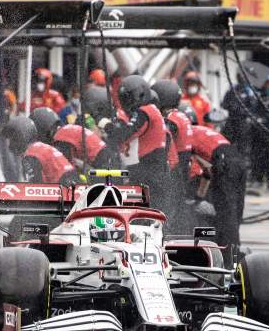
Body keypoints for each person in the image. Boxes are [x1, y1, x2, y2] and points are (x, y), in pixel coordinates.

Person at [104, 75, 168, 213]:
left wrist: (106, 125)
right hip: (155, 167)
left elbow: (123, 135)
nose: (128, 103)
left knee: (144, 210)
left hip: (150, 169)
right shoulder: (153, 111)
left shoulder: (145, 111)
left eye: (129, 98)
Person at [190, 120, 246, 266]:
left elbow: (189, 168)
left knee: (225, 215)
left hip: (224, 162)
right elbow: (207, 172)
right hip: (237, 161)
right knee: (235, 214)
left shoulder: (186, 134)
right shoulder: (202, 131)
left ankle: (228, 261)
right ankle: (235, 254)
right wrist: (199, 198)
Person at [152, 79, 194, 234]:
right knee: (178, 204)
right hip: (185, 163)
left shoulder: (170, 120)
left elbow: (165, 141)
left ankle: (167, 235)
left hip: (175, 167)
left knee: (169, 206)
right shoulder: (181, 115)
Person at [2, 116, 76, 184]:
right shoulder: (39, 147)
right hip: (72, 182)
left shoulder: (30, 155)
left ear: (19, 137)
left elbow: (35, 187)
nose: (10, 144)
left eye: (11, 139)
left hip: (65, 188)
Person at [52, 124, 118, 173]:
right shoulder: (67, 129)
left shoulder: (60, 136)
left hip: (99, 157)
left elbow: (66, 164)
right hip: (105, 151)